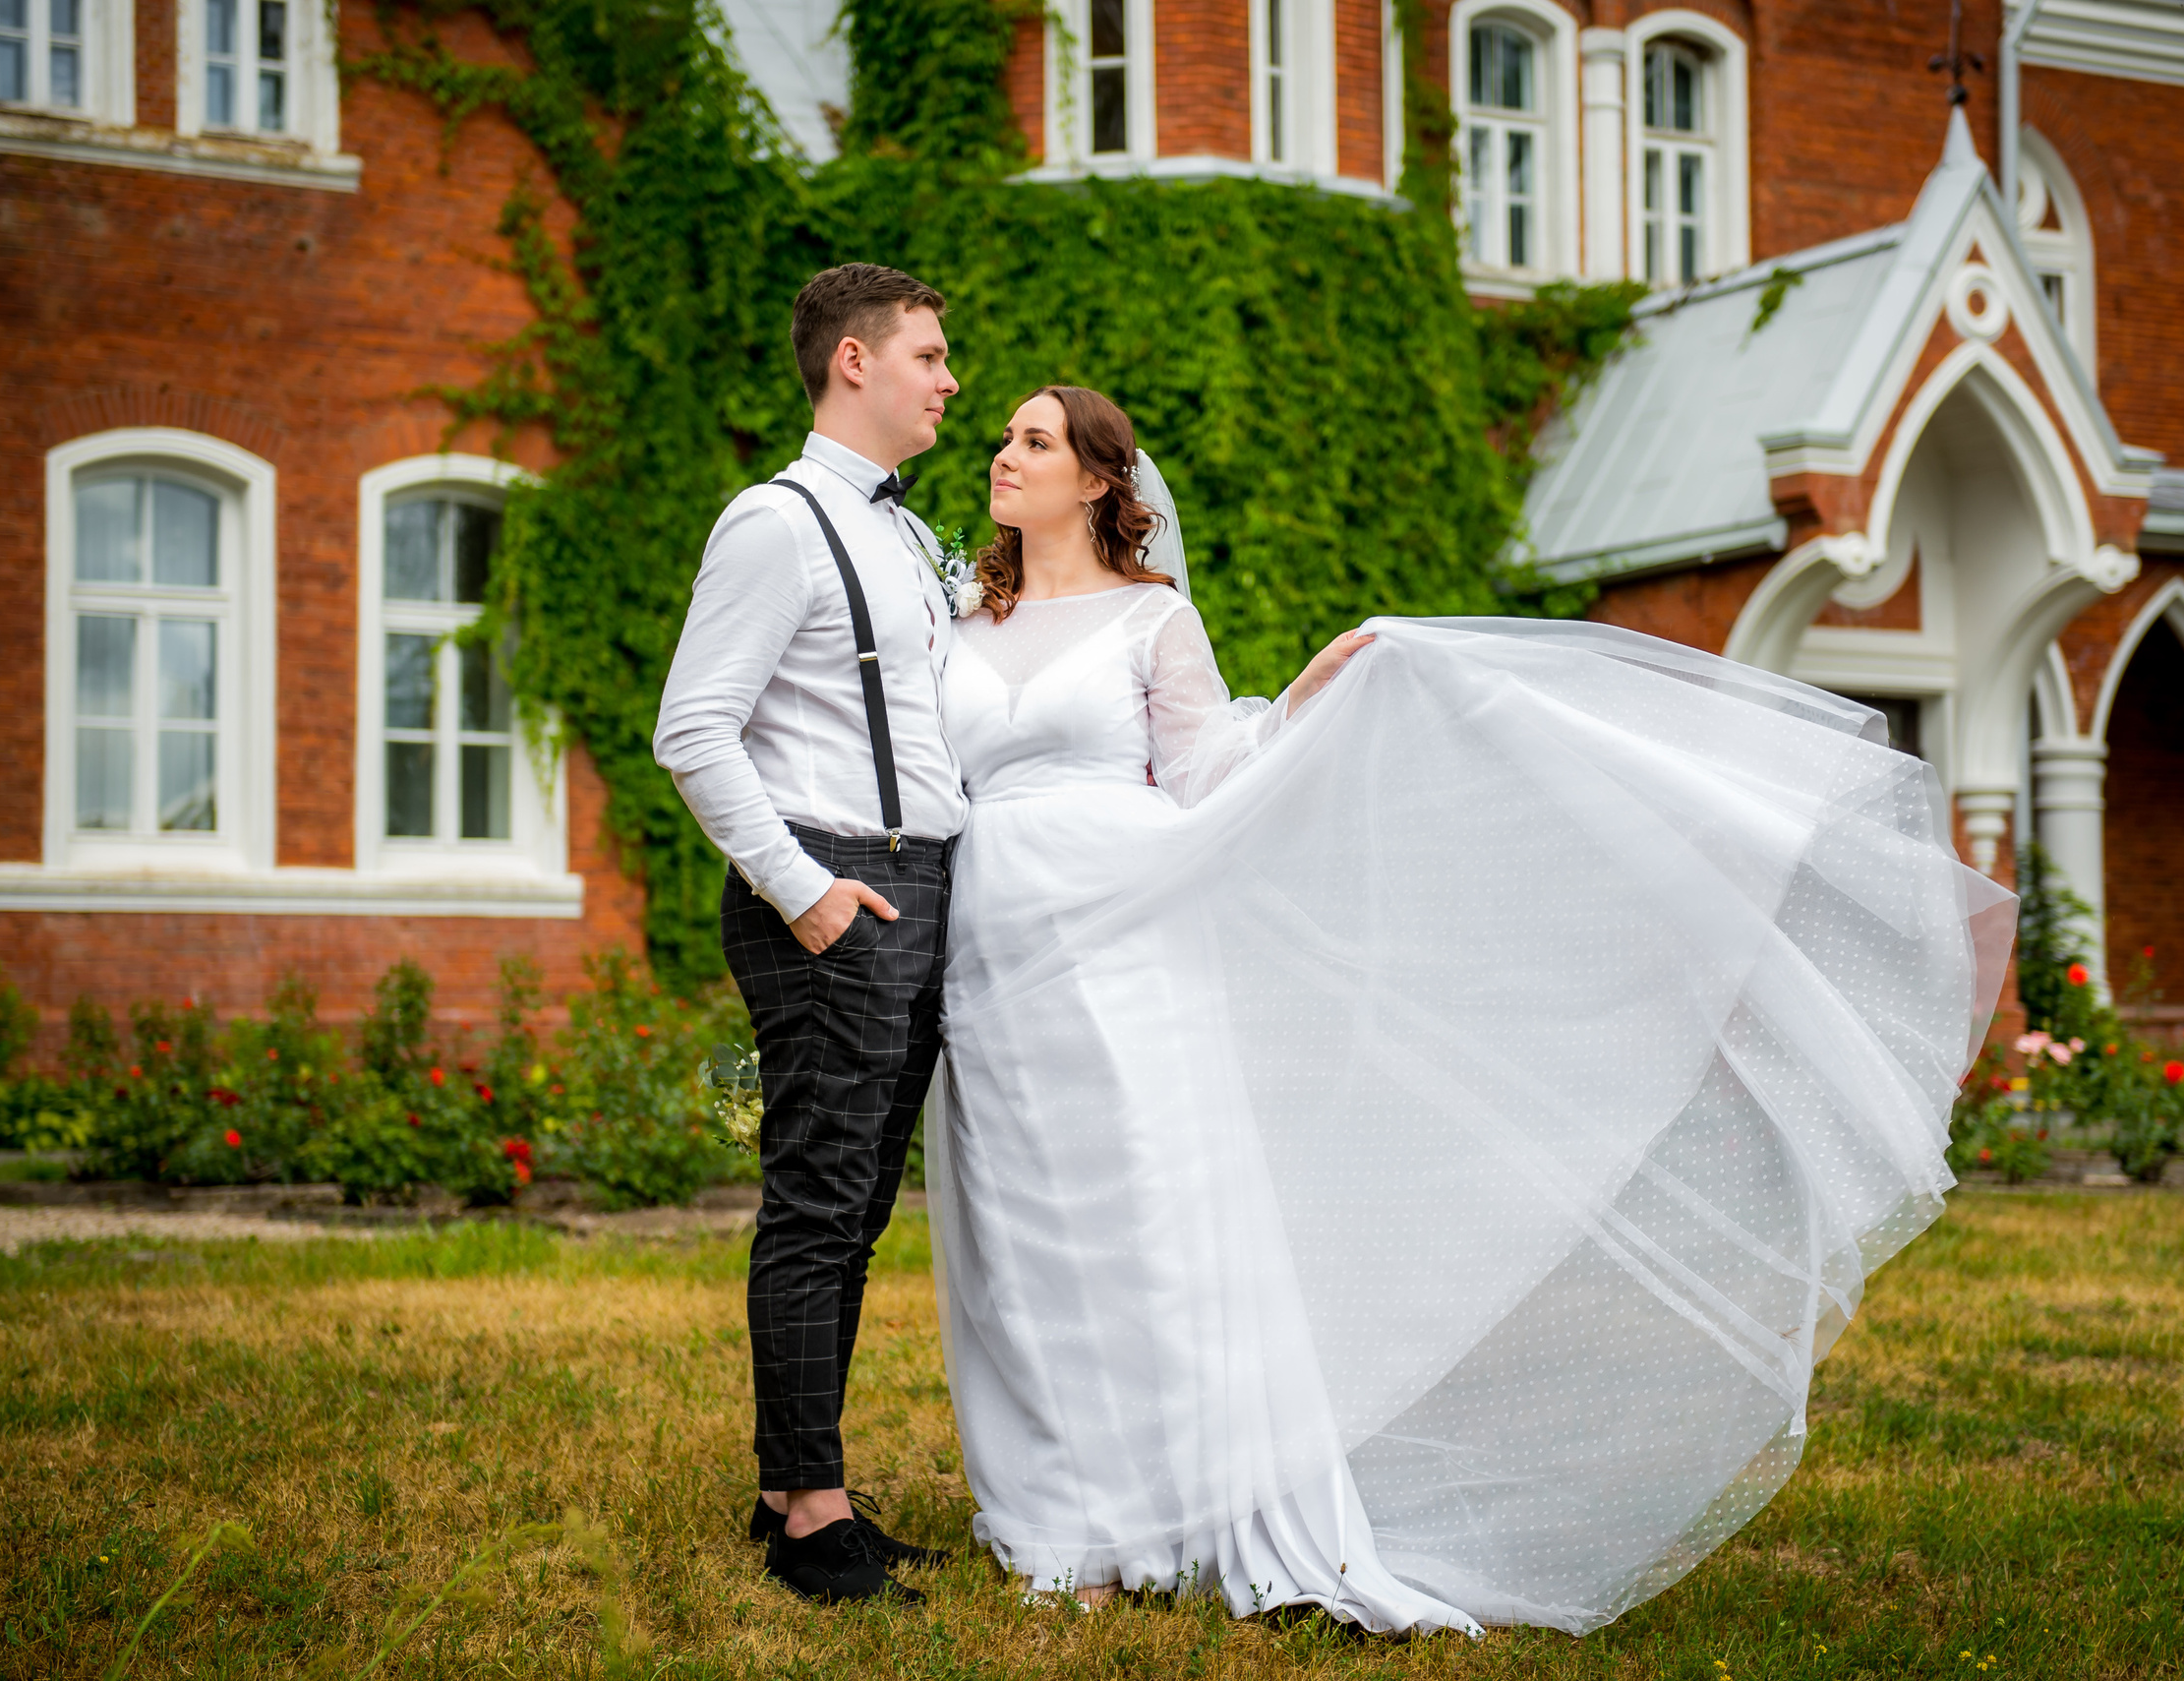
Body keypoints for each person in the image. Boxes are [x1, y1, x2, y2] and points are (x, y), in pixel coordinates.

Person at [925, 386, 2016, 1634]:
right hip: (991, 957)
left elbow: (1211, 780)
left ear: (1103, 484)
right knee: (1019, 1243)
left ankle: (1181, 1506)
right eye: (1003, 437)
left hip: (1124, 949)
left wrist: (1313, 693)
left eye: (1032, 441)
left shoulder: (1150, 624)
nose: (1002, 456)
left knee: (1144, 1233)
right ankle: (1063, 1514)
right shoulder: (962, 621)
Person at [654, 263, 967, 1604]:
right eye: (931, 357)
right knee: (821, 1201)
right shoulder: (775, 524)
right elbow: (692, 728)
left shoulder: (902, 534)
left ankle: (796, 1483)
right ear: (854, 361)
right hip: (837, 886)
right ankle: (811, 1519)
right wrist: (804, 888)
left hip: (911, 882)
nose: (951, 381)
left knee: (854, 1212)